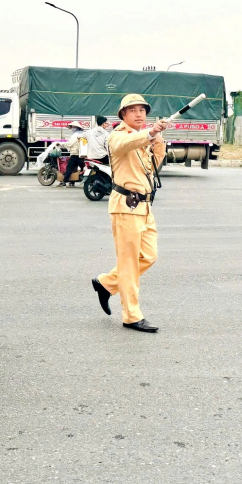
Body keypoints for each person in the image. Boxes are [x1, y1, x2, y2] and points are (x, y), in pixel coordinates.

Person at [91, 94, 168, 333]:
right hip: (126, 205)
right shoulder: (118, 136)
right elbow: (123, 145)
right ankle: (131, 316)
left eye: (142, 110)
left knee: (149, 256)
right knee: (128, 263)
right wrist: (150, 133)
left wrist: (157, 138)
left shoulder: (143, 137)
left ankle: (106, 283)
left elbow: (153, 165)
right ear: (123, 114)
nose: (138, 114)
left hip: (144, 206)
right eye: (132, 110)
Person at [58, 122, 88, 186]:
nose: (72, 128)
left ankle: (64, 181)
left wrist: (61, 144)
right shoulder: (82, 134)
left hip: (75, 154)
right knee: (81, 168)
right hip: (81, 154)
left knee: (69, 168)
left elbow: (70, 144)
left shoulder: (75, 135)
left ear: (76, 128)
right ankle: (72, 182)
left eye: (73, 127)